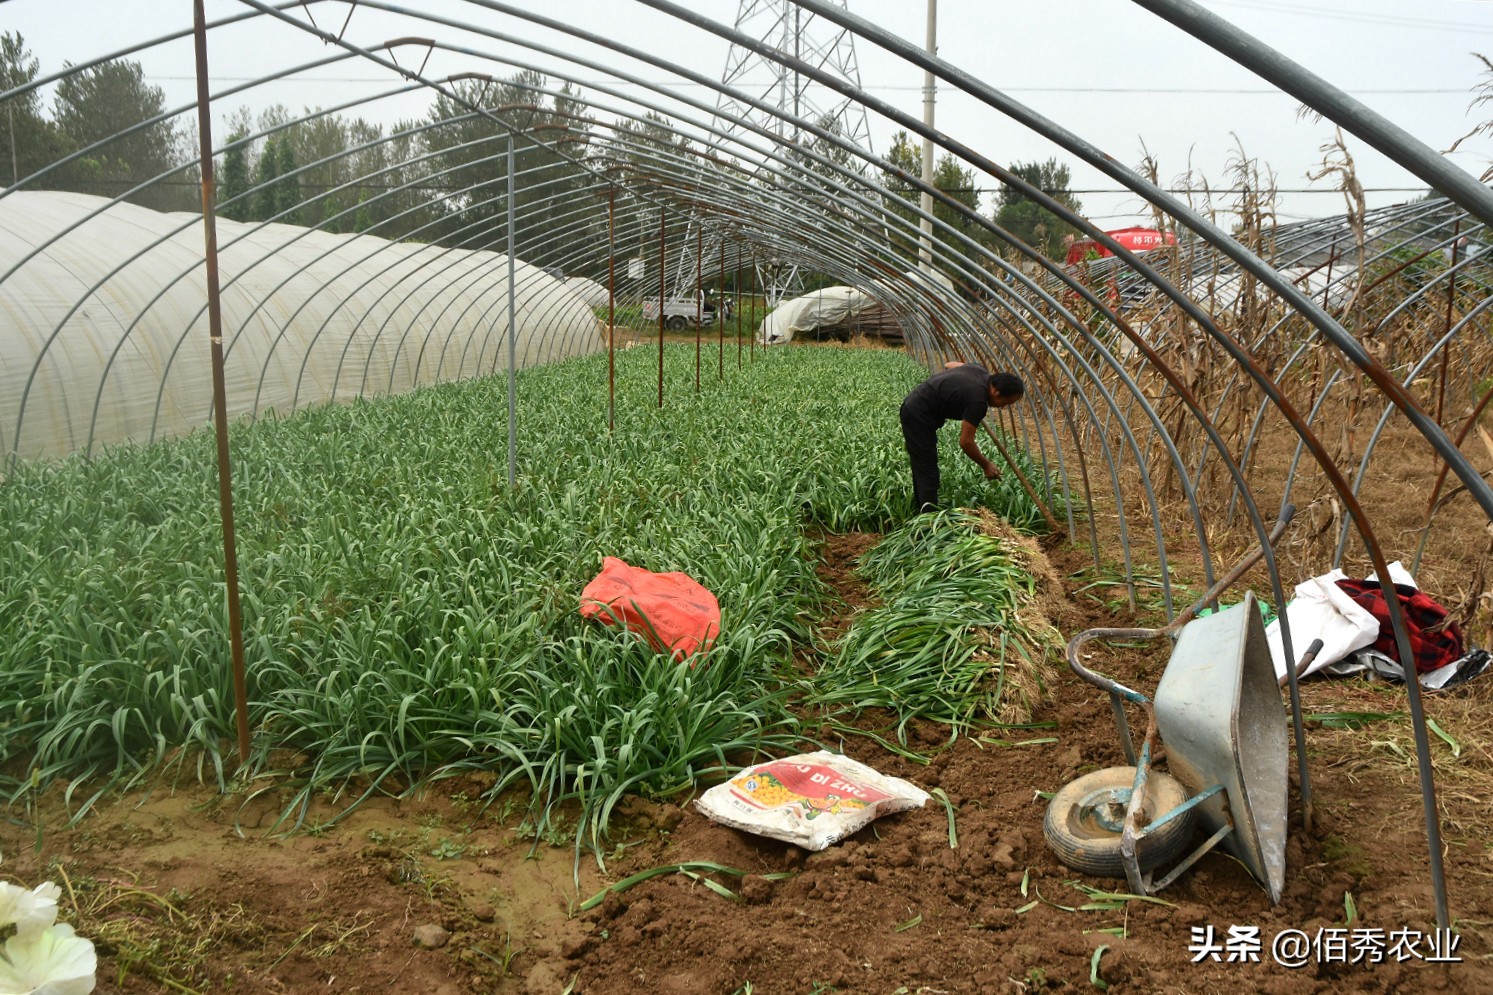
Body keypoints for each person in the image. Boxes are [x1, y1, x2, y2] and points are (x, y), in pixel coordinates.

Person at [899, 362, 1024, 515]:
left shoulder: (978, 370)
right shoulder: (978, 402)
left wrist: (954, 388)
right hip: (917, 415)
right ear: (996, 392)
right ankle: (928, 521)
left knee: (922, 465)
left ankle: (921, 508)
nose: (1003, 407)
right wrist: (986, 465)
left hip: (917, 404)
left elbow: (948, 365)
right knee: (927, 470)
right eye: (1004, 403)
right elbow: (966, 442)